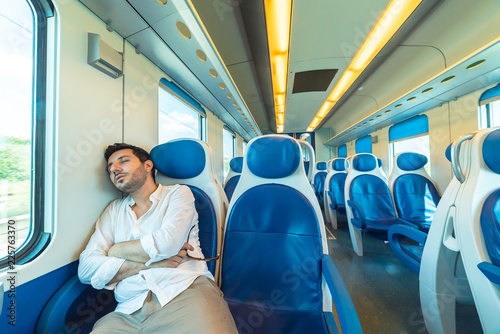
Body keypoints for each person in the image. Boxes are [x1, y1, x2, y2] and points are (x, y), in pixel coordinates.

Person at [78, 143, 237, 333]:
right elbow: (86, 269)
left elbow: (166, 245)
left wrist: (115, 250)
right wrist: (151, 264)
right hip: (128, 309)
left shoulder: (179, 193)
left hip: (184, 291)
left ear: (148, 165)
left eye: (124, 161)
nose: (114, 169)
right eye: (110, 167)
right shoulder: (113, 210)